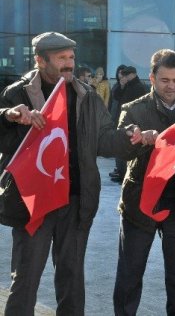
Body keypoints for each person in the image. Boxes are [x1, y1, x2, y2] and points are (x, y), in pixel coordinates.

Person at [0, 31, 148, 316]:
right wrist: (9, 116)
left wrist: (131, 138)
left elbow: (103, 139)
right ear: (40, 60)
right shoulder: (19, 93)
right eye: (61, 58)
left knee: (71, 280)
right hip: (34, 204)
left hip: (76, 200)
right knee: (26, 280)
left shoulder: (87, 94)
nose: (69, 64)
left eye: (71, 57)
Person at [113, 49, 175, 316]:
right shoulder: (133, 109)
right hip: (139, 204)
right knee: (130, 273)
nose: (171, 86)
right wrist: (138, 138)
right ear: (152, 78)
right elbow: (120, 148)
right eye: (165, 80)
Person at [110, 65, 148, 183]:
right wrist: (121, 86)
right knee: (121, 147)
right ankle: (121, 172)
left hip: (133, 122)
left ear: (133, 74)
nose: (124, 77)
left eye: (127, 75)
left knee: (128, 148)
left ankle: (125, 173)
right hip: (123, 119)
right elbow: (115, 96)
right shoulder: (126, 85)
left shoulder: (138, 87)